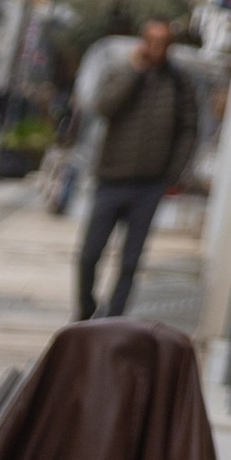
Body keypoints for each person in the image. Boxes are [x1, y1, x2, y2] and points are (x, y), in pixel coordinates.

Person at [76, 18, 197, 321]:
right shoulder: (121, 71)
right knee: (90, 254)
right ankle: (86, 310)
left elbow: (189, 129)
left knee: (130, 261)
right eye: (152, 42)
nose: (157, 49)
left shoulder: (179, 83)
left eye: (163, 43)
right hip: (111, 178)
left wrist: (173, 172)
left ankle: (113, 318)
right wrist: (134, 73)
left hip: (150, 184)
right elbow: (105, 108)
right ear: (143, 42)